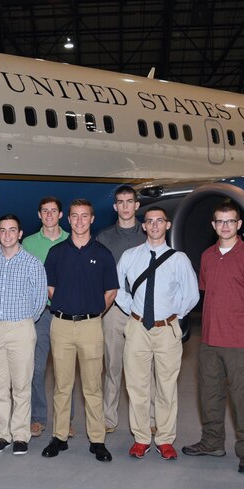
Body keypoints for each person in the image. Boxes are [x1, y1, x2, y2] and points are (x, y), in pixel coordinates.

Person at [181, 202, 244, 474]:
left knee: (242, 398)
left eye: (230, 221)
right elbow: (208, 292)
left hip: (239, 343)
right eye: (220, 221)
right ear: (214, 225)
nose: (225, 226)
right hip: (209, 340)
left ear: (239, 225)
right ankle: (212, 442)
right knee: (209, 395)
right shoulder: (207, 256)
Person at [116, 207, 199, 461]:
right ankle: (141, 438)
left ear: (167, 225)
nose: (154, 225)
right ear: (143, 226)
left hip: (167, 330)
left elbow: (191, 294)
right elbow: (116, 286)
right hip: (137, 328)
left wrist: (174, 315)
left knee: (166, 387)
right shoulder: (130, 256)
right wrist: (132, 308)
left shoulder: (179, 259)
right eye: (149, 221)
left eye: (159, 221)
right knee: (136, 386)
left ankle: (165, 439)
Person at [41, 199, 118, 463]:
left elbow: (111, 291)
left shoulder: (103, 253)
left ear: (92, 219)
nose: (80, 221)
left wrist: (92, 312)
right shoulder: (56, 253)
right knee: (62, 386)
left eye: (85, 216)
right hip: (61, 325)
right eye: (75, 216)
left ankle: (97, 440)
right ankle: (59, 437)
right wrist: (68, 305)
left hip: (90, 326)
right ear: (69, 219)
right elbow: (50, 288)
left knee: (92, 387)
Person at [0, 215, 47, 456]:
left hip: (21, 328)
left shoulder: (32, 263)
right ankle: (2, 434)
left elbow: (40, 299)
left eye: (12, 230)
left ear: (20, 234)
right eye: (3, 230)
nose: (7, 234)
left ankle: (20, 435)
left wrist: (24, 321)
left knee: (21, 386)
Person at [95, 185, 147, 435]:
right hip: (114, 310)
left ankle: (148, 418)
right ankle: (109, 417)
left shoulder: (149, 234)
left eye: (129, 202)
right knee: (112, 366)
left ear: (137, 205)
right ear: (115, 207)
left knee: (143, 368)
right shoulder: (104, 238)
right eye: (121, 202)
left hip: (142, 310)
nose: (125, 206)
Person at [21, 196, 69, 438]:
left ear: (60, 215)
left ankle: (65, 420)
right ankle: (38, 417)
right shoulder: (28, 243)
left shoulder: (72, 239)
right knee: (36, 368)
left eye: (53, 211)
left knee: (65, 370)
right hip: (39, 315)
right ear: (39, 215)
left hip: (65, 314)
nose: (49, 215)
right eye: (45, 211)